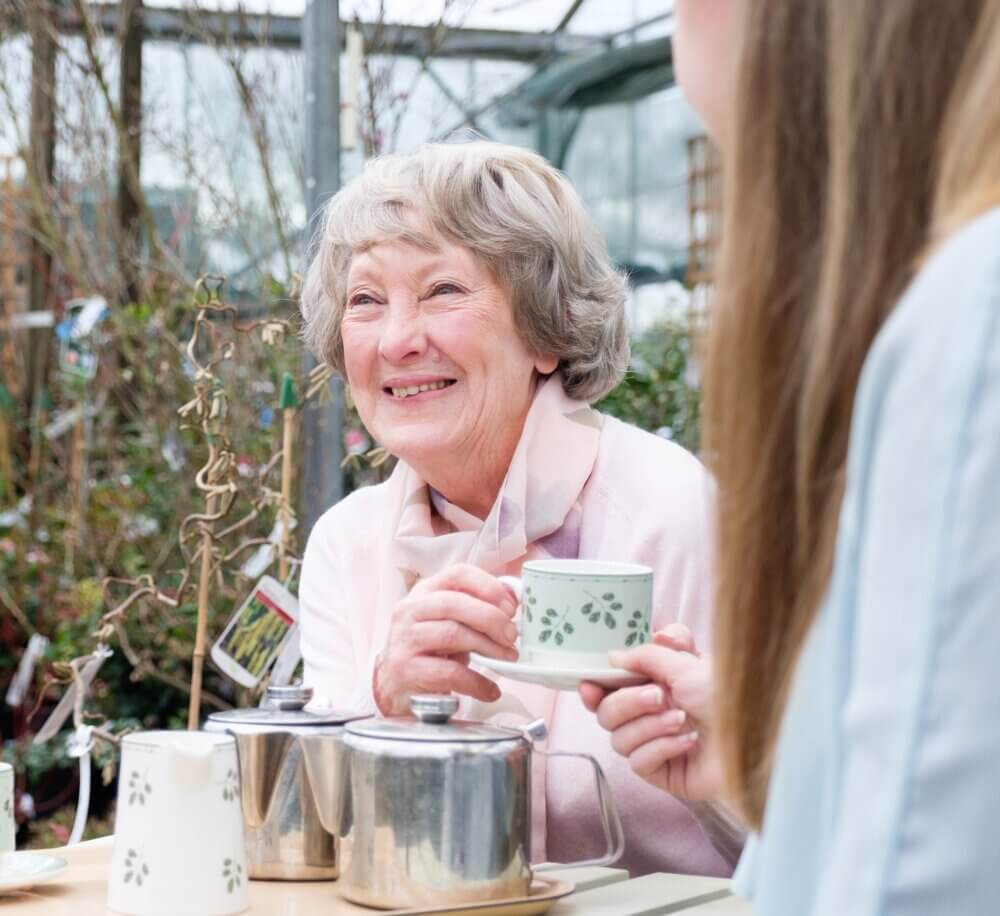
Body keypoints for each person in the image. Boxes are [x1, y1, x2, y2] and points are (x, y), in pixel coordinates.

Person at [583, 0, 1000, 912]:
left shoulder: (968, 328)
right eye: (366, 301)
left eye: (446, 289)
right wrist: (788, 754)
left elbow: (914, 879)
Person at [297, 141, 736, 876]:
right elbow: (313, 839)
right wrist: (384, 701)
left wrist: (725, 771)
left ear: (546, 330)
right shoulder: (349, 545)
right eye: (367, 300)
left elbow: (819, 833)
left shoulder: (674, 511)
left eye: (442, 291)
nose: (400, 341)